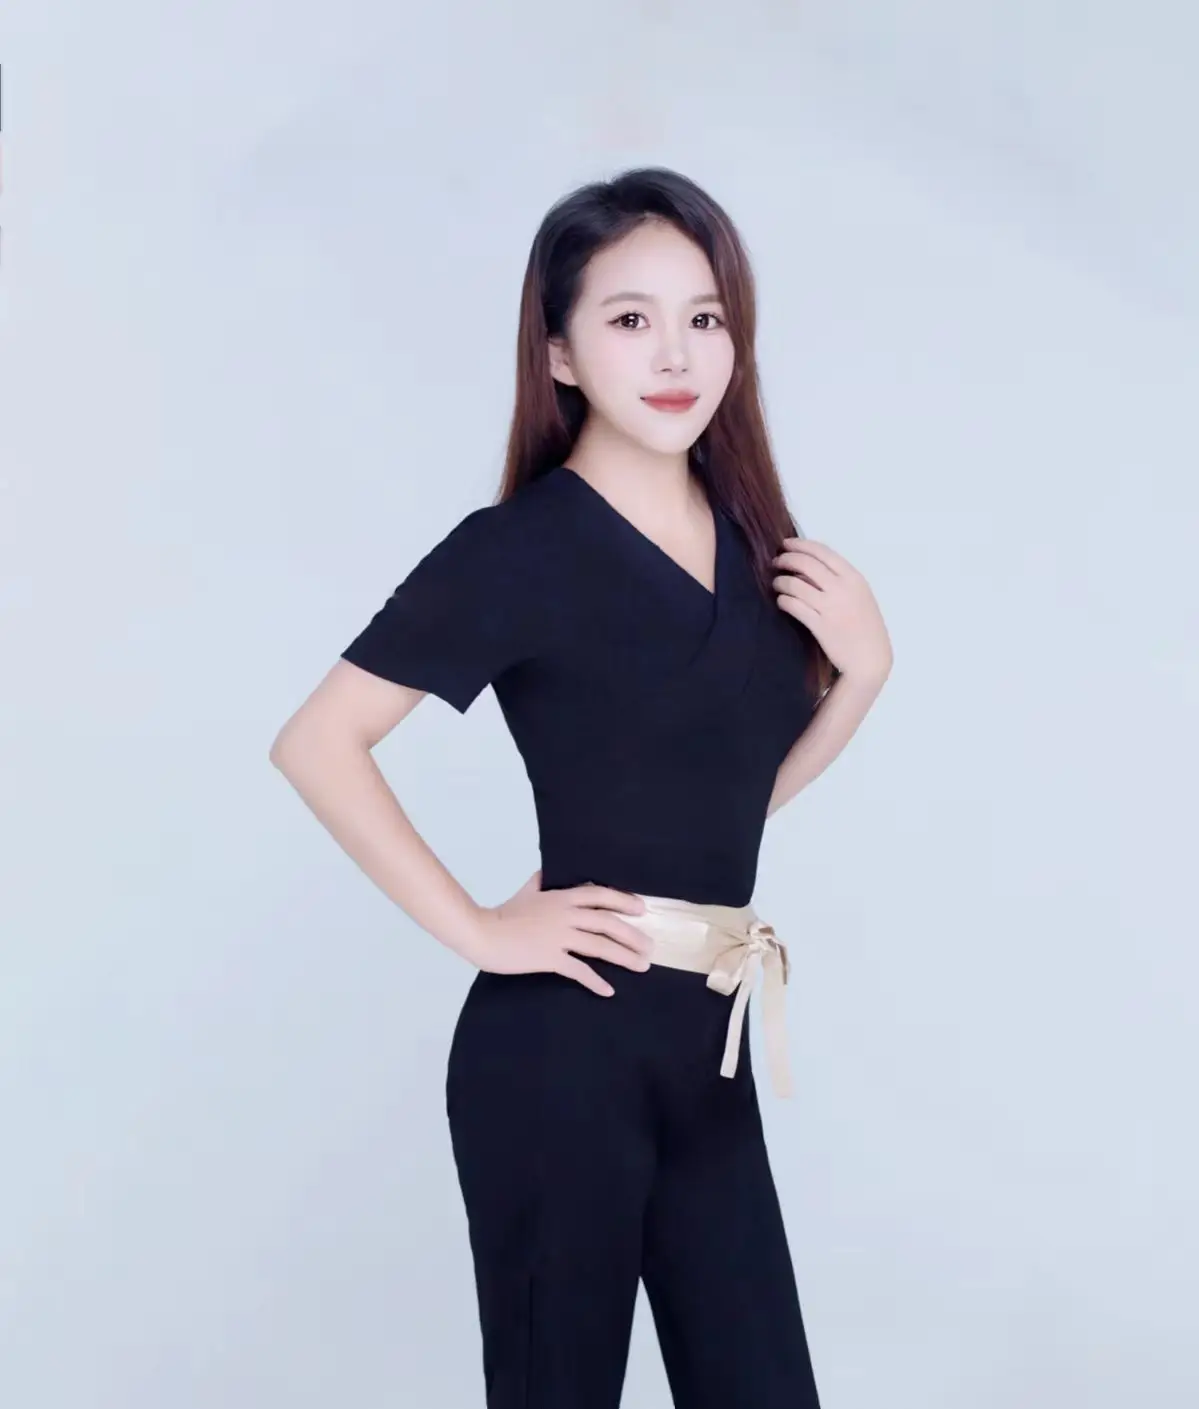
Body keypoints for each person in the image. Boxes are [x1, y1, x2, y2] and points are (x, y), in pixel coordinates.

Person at [270, 165, 893, 1409]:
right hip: (562, 1049)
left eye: (703, 317)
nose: (675, 353)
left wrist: (863, 674)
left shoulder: (756, 546)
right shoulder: (519, 550)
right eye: (628, 318)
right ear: (558, 353)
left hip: (707, 1044)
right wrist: (481, 930)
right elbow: (318, 741)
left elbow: (724, 796)